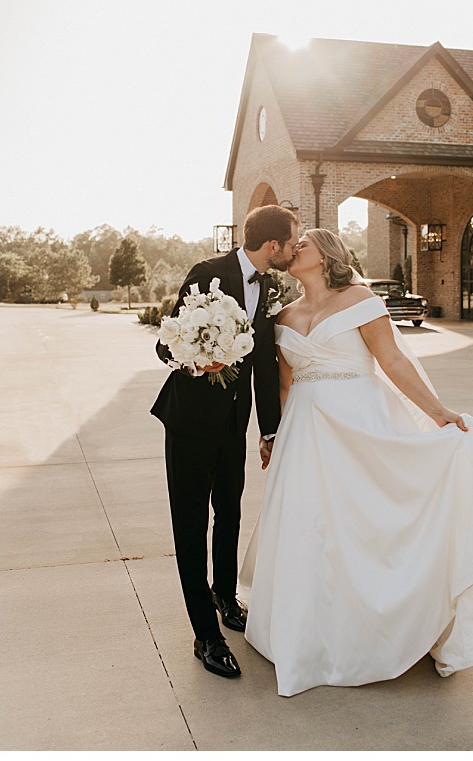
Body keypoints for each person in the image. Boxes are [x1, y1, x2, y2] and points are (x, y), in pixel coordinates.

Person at [239, 228, 473, 696]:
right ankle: (312, 629)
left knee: (364, 524)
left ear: (328, 255)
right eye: (293, 247)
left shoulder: (359, 298)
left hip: (359, 424)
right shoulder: (284, 314)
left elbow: (393, 362)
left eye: (304, 245)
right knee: (308, 525)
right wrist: (272, 435)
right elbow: (285, 385)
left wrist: (438, 413)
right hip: (305, 431)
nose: (294, 250)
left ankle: (375, 627)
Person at [150, 204, 299, 680]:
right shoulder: (206, 273)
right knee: (191, 525)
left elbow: (264, 367)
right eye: (292, 242)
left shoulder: (271, 288)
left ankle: (226, 595)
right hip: (190, 421)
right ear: (272, 246)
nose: (295, 249)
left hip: (235, 423)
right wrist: (198, 362)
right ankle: (206, 634)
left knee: (230, 512)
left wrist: (269, 430)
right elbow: (165, 344)